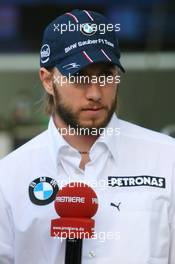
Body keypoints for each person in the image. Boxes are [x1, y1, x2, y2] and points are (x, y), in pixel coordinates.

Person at [0, 9, 175, 264]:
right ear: (48, 80)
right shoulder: (9, 176)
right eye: (78, 76)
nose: (95, 92)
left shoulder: (167, 158)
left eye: (106, 75)